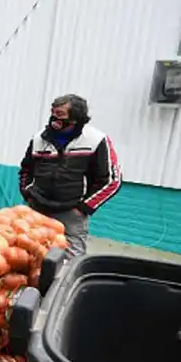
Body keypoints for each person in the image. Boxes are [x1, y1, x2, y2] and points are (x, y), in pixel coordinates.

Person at [18, 94, 121, 258]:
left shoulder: (95, 140)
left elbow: (112, 181)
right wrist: (28, 193)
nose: (53, 118)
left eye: (60, 114)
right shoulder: (39, 139)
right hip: (37, 209)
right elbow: (26, 169)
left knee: (70, 262)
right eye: (53, 112)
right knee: (29, 256)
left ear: (75, 118)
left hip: (71, 214)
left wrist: (83, 208)